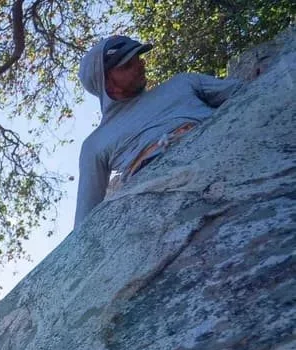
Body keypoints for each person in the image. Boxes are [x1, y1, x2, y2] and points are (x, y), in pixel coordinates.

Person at [75, 34, 241, 228]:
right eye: (127, 65)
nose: (140, 65)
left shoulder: (182, 83)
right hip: (161, 196)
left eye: (138, 57)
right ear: (107, 84)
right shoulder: (95, 144)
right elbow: (84, 222)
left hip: (222, 145)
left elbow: (247, 92)